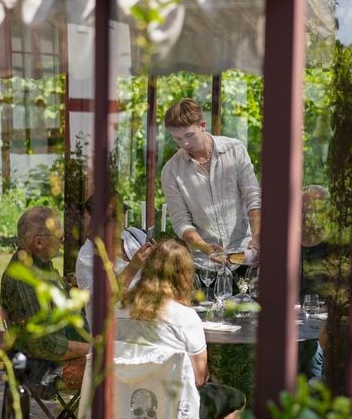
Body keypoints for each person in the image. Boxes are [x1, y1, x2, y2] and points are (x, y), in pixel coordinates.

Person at [117, 239, 245, 419]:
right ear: (184, 275)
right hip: (174, 408)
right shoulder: (185, 317)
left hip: (123, 404)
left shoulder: (117, 310)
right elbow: (199, 378)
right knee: (236, 398)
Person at [0, 206, 90, 392]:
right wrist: (92, 349)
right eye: (59, 236)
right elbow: (45, 344)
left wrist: (69, 284)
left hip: (55, 359)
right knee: (115, 372)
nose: (63, 240)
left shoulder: (39, 265)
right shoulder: (24, 279)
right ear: (39, 242)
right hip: (42, 369)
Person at [161, 98, 261, 257]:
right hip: (205, 263)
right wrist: (204, 247)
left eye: (189, 135)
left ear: (202, 125)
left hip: (244, 254)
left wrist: (257, 237)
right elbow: (181, 222)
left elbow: (253, 198)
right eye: (178, 138)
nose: (185, 144)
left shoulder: (235, 150)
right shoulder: (171, 171)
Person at [75, 194, 153, 322]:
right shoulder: (88, 256)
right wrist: (133, 266)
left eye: (123, 212)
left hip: (145, 320)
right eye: (114, 216)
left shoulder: (135, 235)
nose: (121, 219)